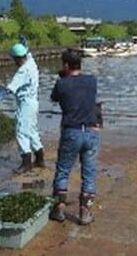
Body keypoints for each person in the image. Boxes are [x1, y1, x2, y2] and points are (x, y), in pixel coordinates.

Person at [49, 48, 100, 225]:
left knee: (63, 170)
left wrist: (62, 78)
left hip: (72, 131)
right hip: (91, 131)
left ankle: (59, 209)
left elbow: (54, 97)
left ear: (65, 65)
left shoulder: (61, 84)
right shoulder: (92, 81)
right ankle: (85, 212)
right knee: (89, 173)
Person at [3, 42, 45, 173]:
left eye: (14, 59)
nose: (14, 61)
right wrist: (25, 44)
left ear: (18, 58)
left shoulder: (23, 71)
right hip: (34, 102)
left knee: (21, 131)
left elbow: (11, 87)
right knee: (32, 130)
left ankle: (26, 163)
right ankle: (39, 159)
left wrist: (1, 94)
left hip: (25, 104)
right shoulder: (32, 63)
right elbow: (29, 53)